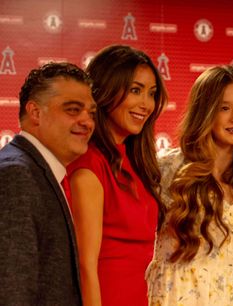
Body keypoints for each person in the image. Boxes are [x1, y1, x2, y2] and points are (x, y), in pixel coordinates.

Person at [146, 65, 233, 305]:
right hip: (170, 294)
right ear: (204, 113)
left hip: (227, 297)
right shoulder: (166, 168)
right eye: (224, 108)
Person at [67, 45, 168, 306]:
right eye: (135, 90)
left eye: (152, 93)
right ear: (105, 91)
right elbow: (84, 266)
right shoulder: (89, 165)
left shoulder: (136, 162)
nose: (146, 104)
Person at [0, 62, 95, 305]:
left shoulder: (38, 171)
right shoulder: (15, 174)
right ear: (35, 113)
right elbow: (12, 289)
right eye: (73, 110)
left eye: (91, 113)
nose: (87, 121)